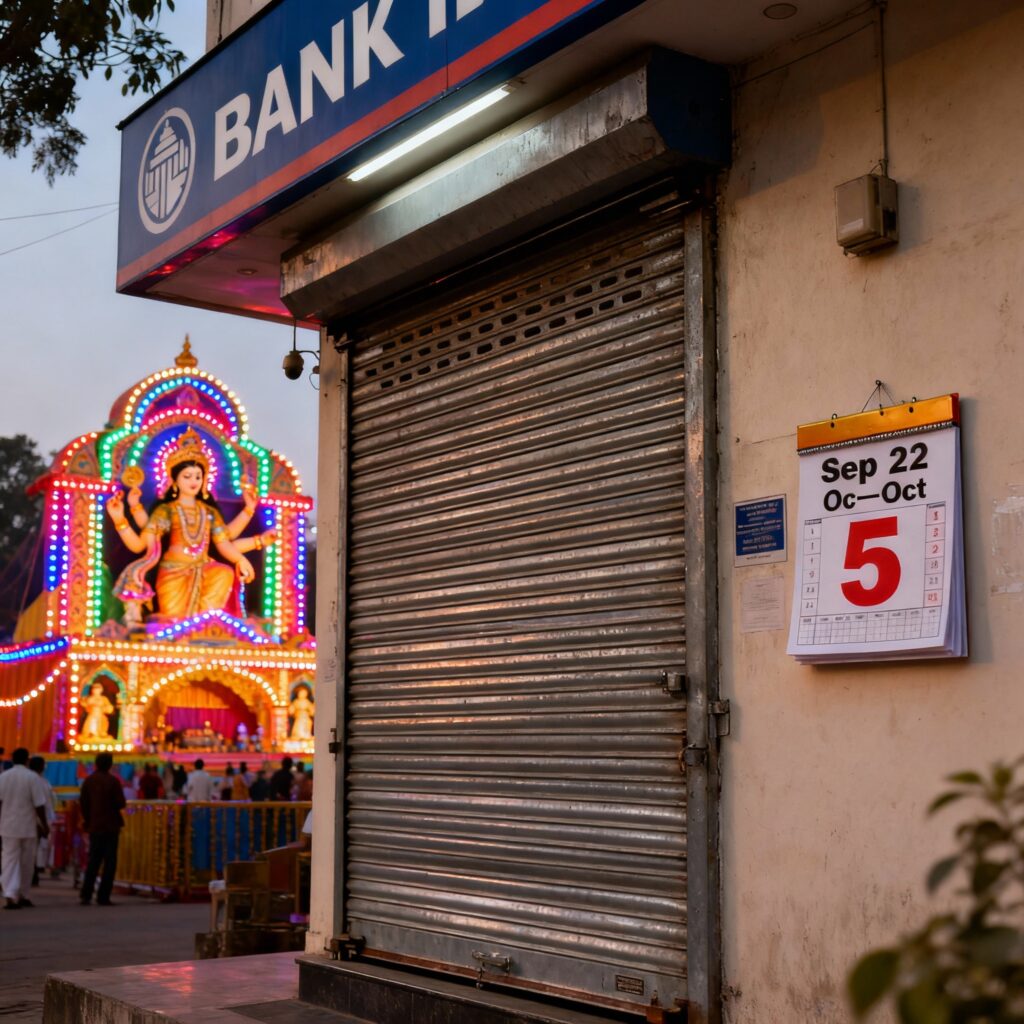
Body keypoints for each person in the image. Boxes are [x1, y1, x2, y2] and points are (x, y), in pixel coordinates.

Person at [106, 429, 277, 627]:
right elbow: (138, 546)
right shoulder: (166, 511)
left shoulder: (209, 512)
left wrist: (250, 518)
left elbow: (226, 541)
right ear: (175, 480)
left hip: (205, 571)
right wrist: (119, 519)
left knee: (224, 573)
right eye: (187, 476)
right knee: (172, 626)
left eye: (198, 476)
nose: (193, 481)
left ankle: (206, 631)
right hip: (173, 574)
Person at [0, 748, 50, 909]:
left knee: (9, 860)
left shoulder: (4, 777)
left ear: (12, 760)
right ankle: (23, 894)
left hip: (8, 826)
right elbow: (39, 805)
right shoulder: (32, 777)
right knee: (27, 862)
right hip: (28, 826)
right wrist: (44, 825)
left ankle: (9, 894)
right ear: (27, 760)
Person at [79, 752, 127, 906]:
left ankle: (86, 894)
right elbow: (121, 803)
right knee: (110, 862)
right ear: (110, 765)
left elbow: (83, 804)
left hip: (95, 825)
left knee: (93, 860)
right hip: (111, 826)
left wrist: (88, 820)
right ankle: (103, 895)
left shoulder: (89, 781)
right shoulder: (113, 781)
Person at [28, 756, 56, 886]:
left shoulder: (40, 781)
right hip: (36, 820)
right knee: (32, 849)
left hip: (28, 820)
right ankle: (32, 874)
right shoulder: (40, 782)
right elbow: (45, 805)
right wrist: (46, 823)